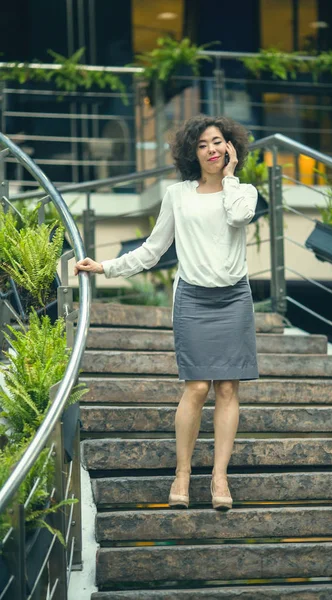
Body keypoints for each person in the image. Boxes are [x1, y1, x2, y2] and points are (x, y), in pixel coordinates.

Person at [74, 115, 259, 511]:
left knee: (228, 388)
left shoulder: (243, 192)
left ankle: (220, 477)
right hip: (193, 298)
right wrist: (105, 266)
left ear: (230, 148)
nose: (211, 149)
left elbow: (238, 217)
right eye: (203, 145)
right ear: (192, 153)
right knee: (196, 387)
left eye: (218, 142)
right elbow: (152, 250)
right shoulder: (178, 195)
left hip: (233, 299)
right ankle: (183, 472)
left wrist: (229, 178)